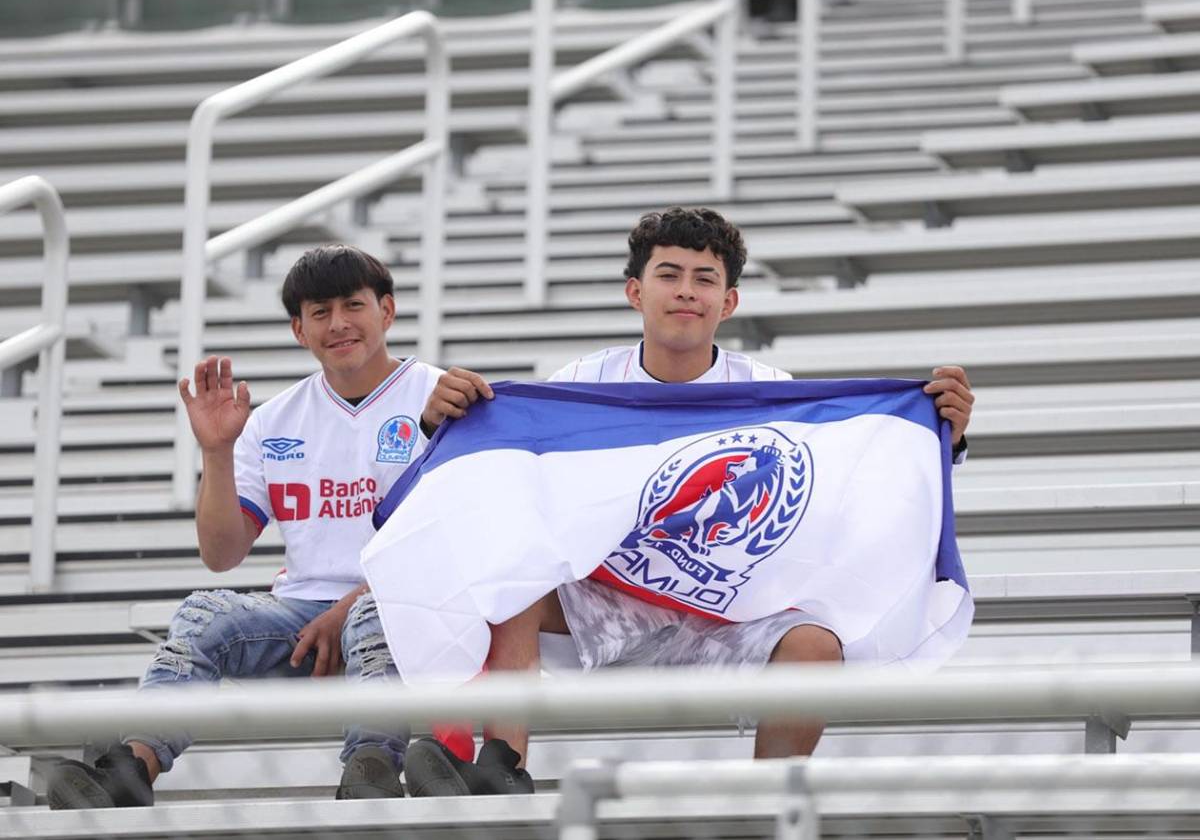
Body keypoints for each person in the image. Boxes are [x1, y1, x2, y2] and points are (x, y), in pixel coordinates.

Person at [401, 207, 975, 794]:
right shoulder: (582, 382)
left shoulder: (769, 391)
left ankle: (769, 804)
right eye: (669, 274)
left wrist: (940, 438)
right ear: (635, 291)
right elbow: (512, 479)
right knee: (511, 574)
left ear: (729, 302)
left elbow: (849, 485)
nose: (685, 291)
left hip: (731, 610)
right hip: (606, 600)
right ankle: (502, 769)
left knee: (815, 645)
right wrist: (442, 423)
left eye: (704, 279)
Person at [47, 245, 444, 808]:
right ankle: (129, 772)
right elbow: (221, 553)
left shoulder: (437, 395)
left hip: (408, 609)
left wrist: (348, 607)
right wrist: (217, 451)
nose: (338, 324)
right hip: (303, 621)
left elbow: (448, 542)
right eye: (320, 312)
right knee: (205, 613)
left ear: (387, 311)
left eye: (353, 305)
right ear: (299, 329)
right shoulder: (273, 419)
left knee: (371, 615)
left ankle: (372, 770)